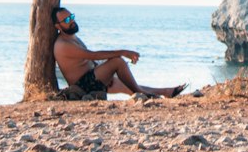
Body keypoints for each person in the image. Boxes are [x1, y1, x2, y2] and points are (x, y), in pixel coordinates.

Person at [52, 7, 185, 98]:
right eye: (67, 20)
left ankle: (166, 92)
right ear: (58, 26)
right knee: (117, 62)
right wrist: (123, 52)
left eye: (72, 17)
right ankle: (142, 94)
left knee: (125, 84)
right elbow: (93, 55)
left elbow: (89, 60)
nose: (72, 22)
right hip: (82, 86)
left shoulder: (71, 37)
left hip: (92, 77)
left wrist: (103, 71)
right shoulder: (63, 45)